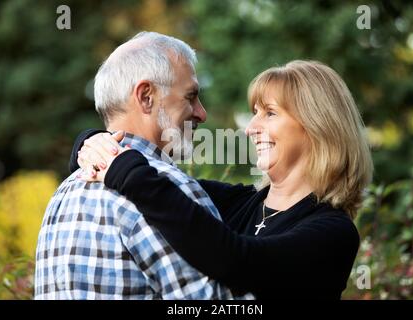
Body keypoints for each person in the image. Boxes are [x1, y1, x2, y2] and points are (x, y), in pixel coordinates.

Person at [72, 60, 374, 299]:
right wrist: (93, 143)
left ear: (317, 126)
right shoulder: (238, 203)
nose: (250, 128)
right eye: (254, 113)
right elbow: (163, 185)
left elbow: (236, 262)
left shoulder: (333, 232)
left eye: (269, 113)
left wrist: (126, 169)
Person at [35, 31, 253, 299]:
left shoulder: (63, 194)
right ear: (147, 96)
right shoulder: (168, 191)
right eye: (190, 96)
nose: (201, 113)